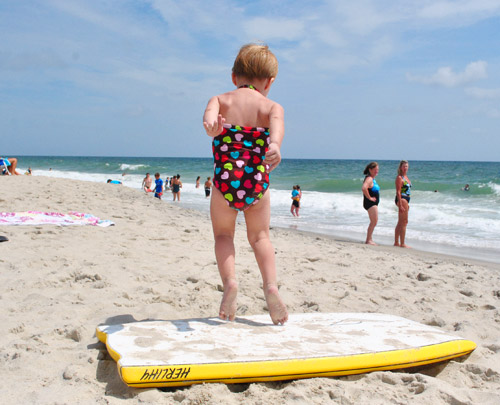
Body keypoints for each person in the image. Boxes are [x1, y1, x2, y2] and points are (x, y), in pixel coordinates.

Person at [203, 43, 288, 325]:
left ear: (233, 76)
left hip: (225, 180)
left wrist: (213, 127)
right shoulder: (272, 106)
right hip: (256, 180)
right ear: (269, 82)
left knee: (224, 236)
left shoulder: (220, 99)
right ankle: (271, 287)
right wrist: (274, 144)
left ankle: (230, 284)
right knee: (260, 237)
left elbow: (209, 122)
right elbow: (276, 128)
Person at [362, 162, 380, 245]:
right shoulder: (369, 178)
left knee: (374, 221)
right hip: (370, 203)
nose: (377, 171)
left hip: (372, 203)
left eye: (377, 170)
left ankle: (369, 239)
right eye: (375, 170)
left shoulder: (372, 179)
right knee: (374, 221)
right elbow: (364, 188)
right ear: (370, 169)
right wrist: (370, 198)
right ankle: (368, 240)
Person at [394, 160, 411, 248]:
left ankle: (397, 242)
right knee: (404, 222)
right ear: (400, 167)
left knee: (401, 222)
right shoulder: (399, 178)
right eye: (404, 166)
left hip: (406, 200)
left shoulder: (406, 177)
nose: (405, 168)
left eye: (406, 166)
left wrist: (407, 204)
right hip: (402, 199)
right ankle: (402, 243)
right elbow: (398, 192)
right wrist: (400, 205)